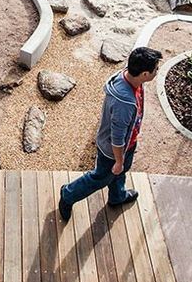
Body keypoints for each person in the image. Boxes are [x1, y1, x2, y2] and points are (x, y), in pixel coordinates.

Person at [59, 47, 163, 221]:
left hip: (128, 144)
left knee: (121, 172)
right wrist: (119, 160)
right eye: (155, 70)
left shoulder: (129, 77)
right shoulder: (125, 103)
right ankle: (68, 194)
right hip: (114, 151)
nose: (156, 72)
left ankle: (117, 196)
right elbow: (117, 138)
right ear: (145, 74)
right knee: (100, 177)